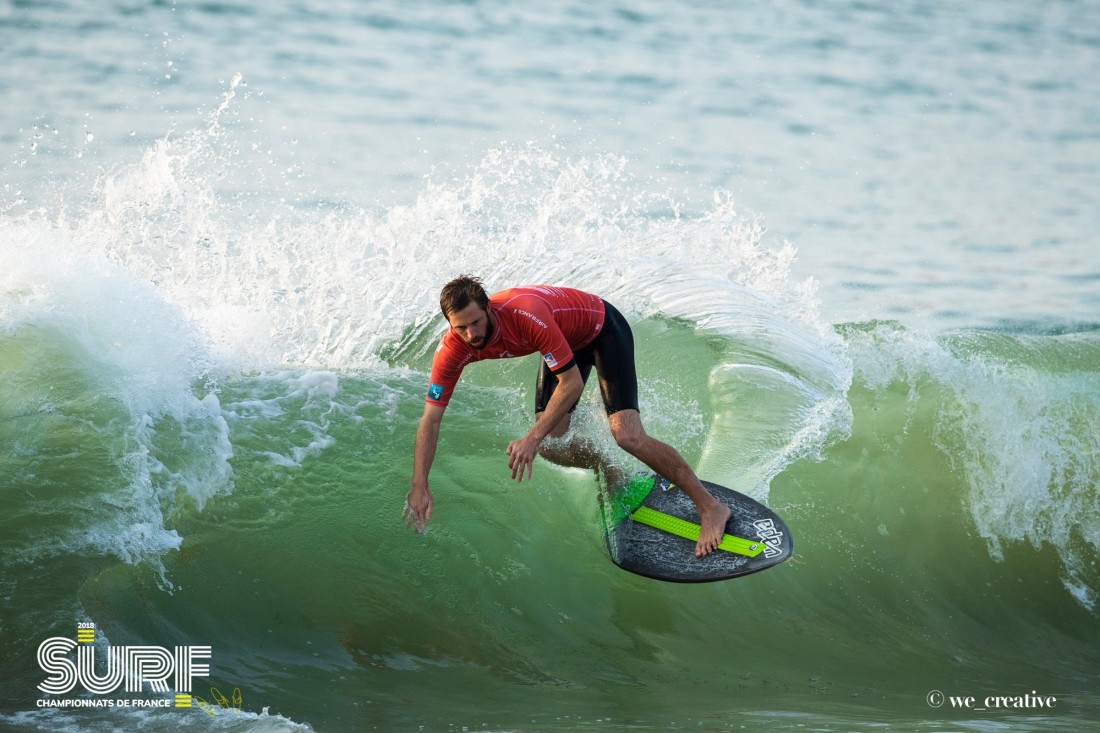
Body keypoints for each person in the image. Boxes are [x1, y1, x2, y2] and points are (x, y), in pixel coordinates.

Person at [405, 275, 731, 557]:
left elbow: (570, 382)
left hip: (602, 329)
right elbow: (430, 420)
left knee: (626, 435)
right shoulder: (453, 349)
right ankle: (609, 468)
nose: (471, 334)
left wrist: (531, 438)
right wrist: (420, 483)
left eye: (476, 322)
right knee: (552, 442)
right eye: (460, 327)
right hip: (564, 342)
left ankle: (711, 507)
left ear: (489, 309)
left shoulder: (524, 314)